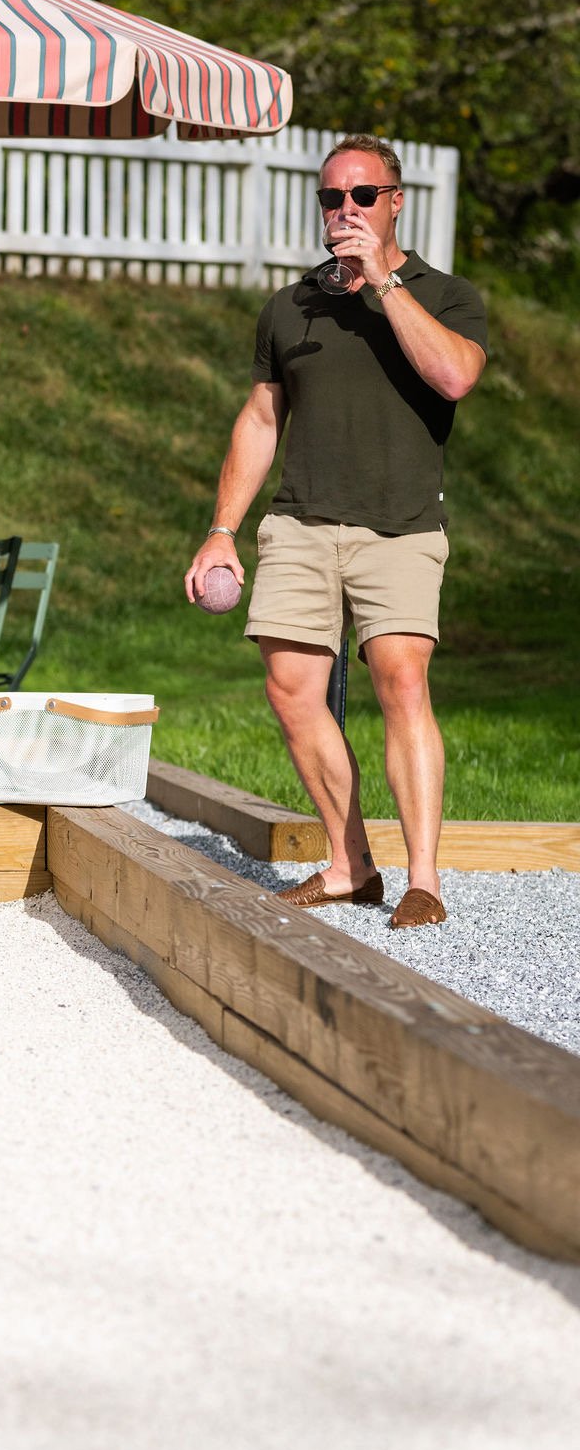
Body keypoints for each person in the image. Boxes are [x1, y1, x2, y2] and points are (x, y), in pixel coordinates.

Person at [184, 135, 486, 928]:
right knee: (290, 691)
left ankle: (424, 880)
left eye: (361, 195)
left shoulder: (446, 295)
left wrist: (383, 284)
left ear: (395, 201)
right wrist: (222, 529)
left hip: (401, 525)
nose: (343, 210)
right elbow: (259, 419)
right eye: (330, 198)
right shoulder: (290, 306)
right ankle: (350, 863)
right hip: (300, 522)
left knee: (401, 681)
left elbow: (454, 375)